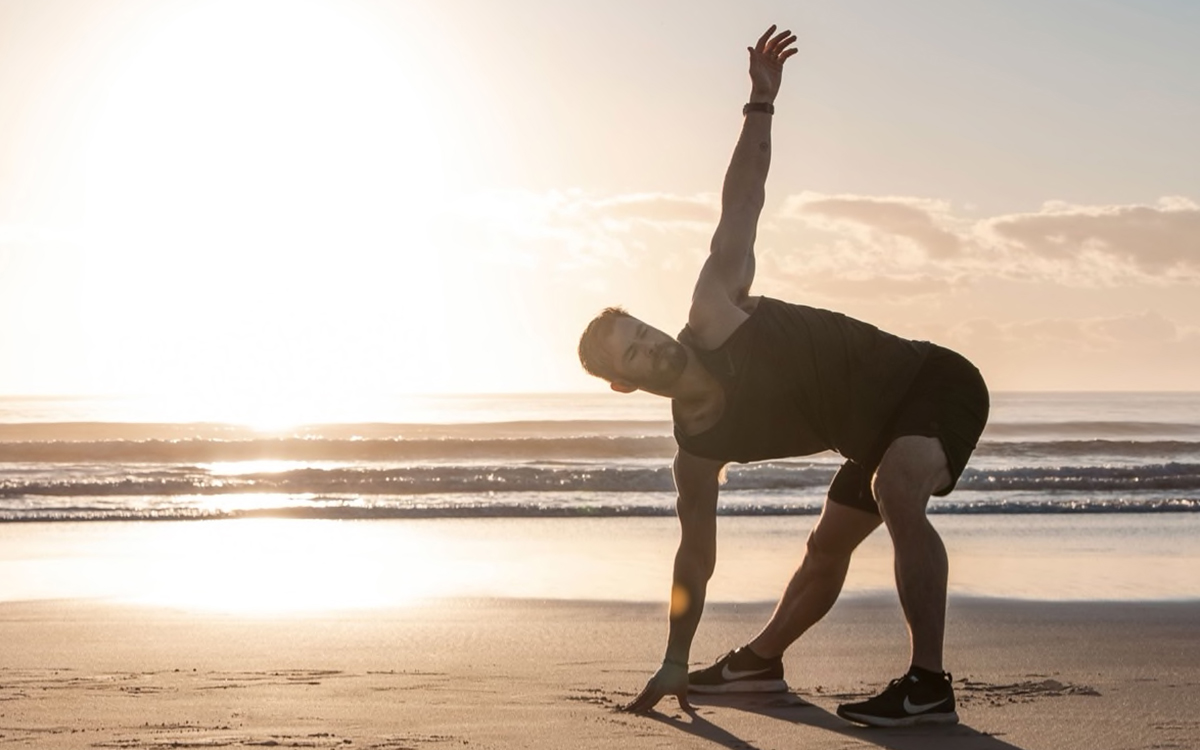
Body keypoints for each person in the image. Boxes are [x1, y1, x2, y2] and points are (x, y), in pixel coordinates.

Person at [575, 25, 989, 728]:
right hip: (873, 434)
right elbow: (694, 558)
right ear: (625, 383)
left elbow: (743, 204)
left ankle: (928, 685)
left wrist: (759, 103)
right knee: (825, 547)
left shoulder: (714, 311)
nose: (653, 347)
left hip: (933, 381)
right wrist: (676, 654)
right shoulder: (697, 451)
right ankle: (760, 663)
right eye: (635, 355)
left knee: (895, 488)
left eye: (642, 332)